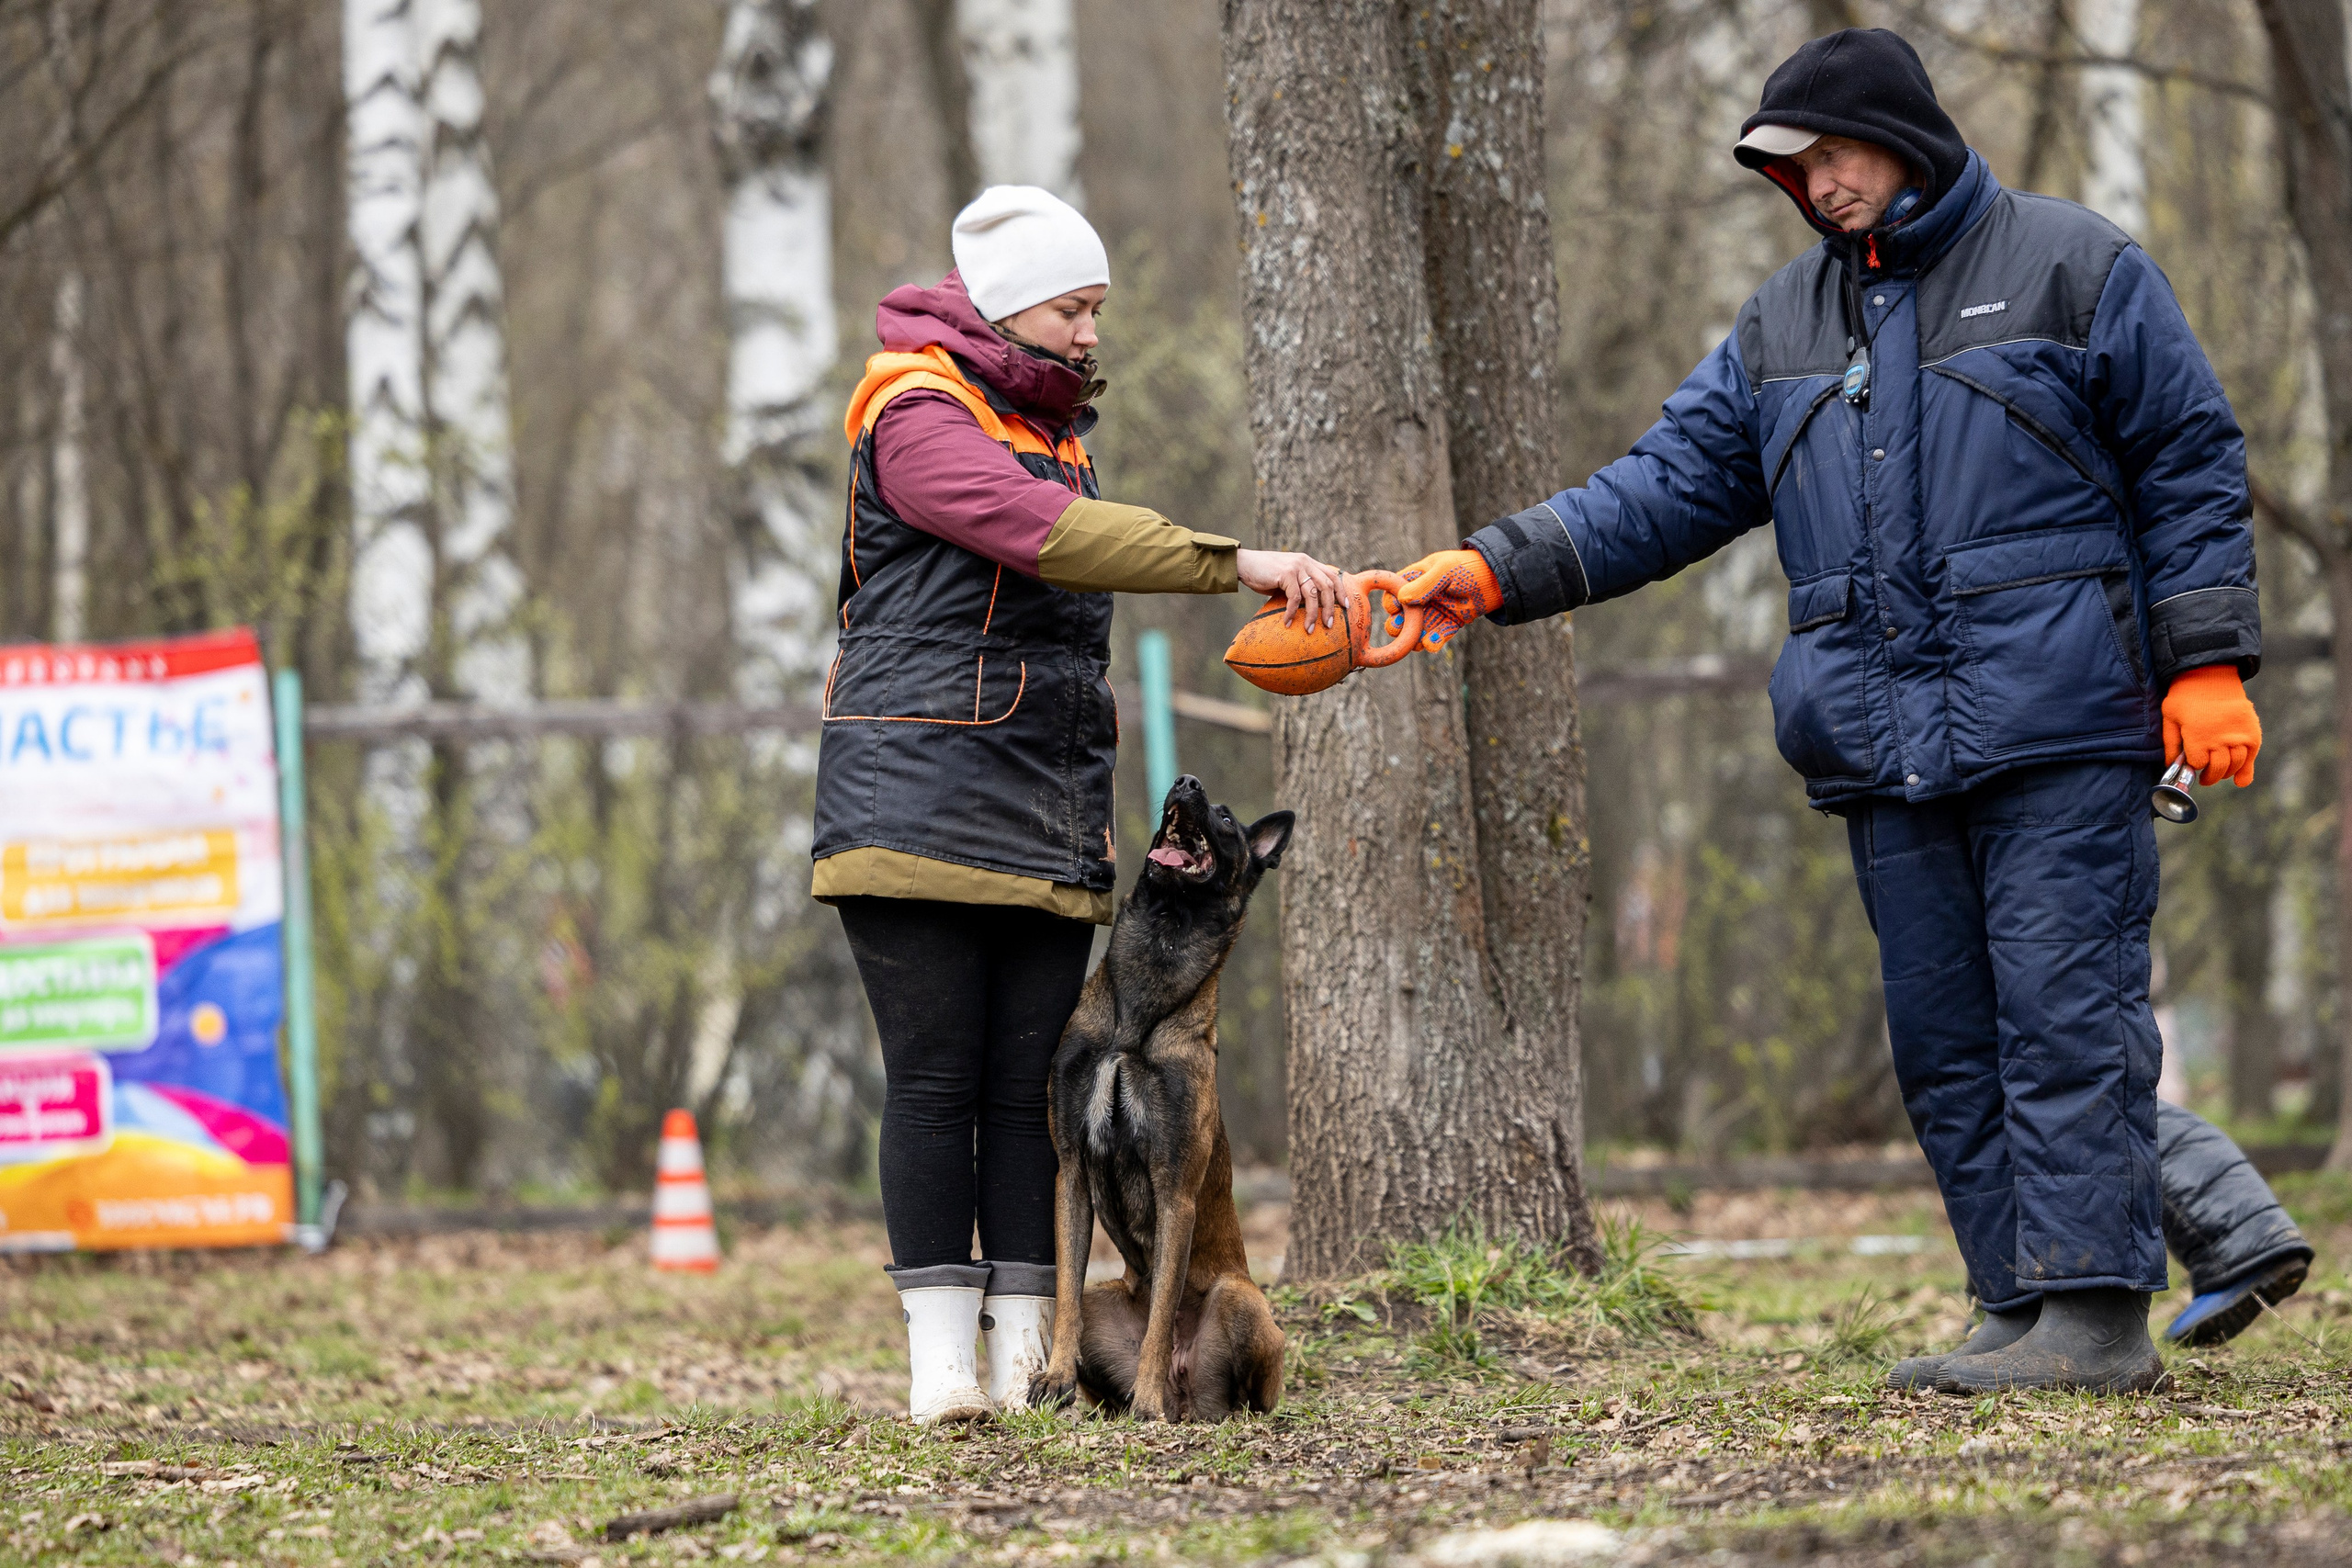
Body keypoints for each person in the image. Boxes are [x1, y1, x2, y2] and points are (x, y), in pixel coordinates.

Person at [1392, 29, 2268, 1393]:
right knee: (1943, 1041)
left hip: (2062, 721)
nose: (1815, 186)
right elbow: (1664, 487)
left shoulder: (2075, 265)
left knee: (2064, 1017)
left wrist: (2204, 661)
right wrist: (1499, 569)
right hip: (1879, 741)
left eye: (1832, 155)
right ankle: (2014, 1307)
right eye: (1789, 170)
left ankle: (2097, 1318)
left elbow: (2193, 462)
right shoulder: (1783, 324)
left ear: (1904, 136)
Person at [811, 185, 1344, 1424]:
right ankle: (944, 1368)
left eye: (1097, 309)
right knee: (938, 1082)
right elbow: (1042, 535)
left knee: (1026, 1098)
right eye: (1072, 308)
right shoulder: (918, 411)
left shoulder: (1050, 428)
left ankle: (1028, 1359)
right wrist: (1232, 563)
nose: (1092, 333)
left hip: (1047, 817)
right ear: (1006, 306)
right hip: (914, 808)